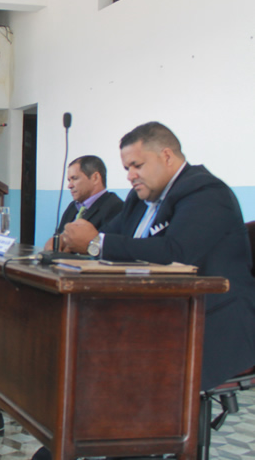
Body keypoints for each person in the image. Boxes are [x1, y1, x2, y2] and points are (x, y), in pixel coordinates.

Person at [33, 121, 255, 460]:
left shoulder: (207, 192)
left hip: (212, 322)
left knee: (123, 373)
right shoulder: (139, 199)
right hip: (153, 317)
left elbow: (176, 252)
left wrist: (95, 243)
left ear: (166, 156)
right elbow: (111, 238)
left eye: (137, 165)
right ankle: (80, 439)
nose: (130, 175)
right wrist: (71, 244)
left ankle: (128, 445)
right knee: (80, 349)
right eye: (126, 168)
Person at [44, 155, 123, 250]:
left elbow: (106, 248)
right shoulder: (73, 206)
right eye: (69, 180)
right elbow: (59, 237)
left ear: (95, 178)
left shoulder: (115, 206)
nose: (69, 185)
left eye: (75, 178)